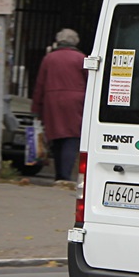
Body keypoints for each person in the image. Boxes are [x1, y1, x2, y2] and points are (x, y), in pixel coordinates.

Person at [31, 28, 88, 183]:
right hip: (76, 101)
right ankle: (65, 175)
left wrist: (36, 108)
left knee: (57, 138)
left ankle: (59, 174)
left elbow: (40, 85)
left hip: (53, 101)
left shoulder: (49, 59)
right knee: (72, 137)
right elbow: (90, 81)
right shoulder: (81, 58)